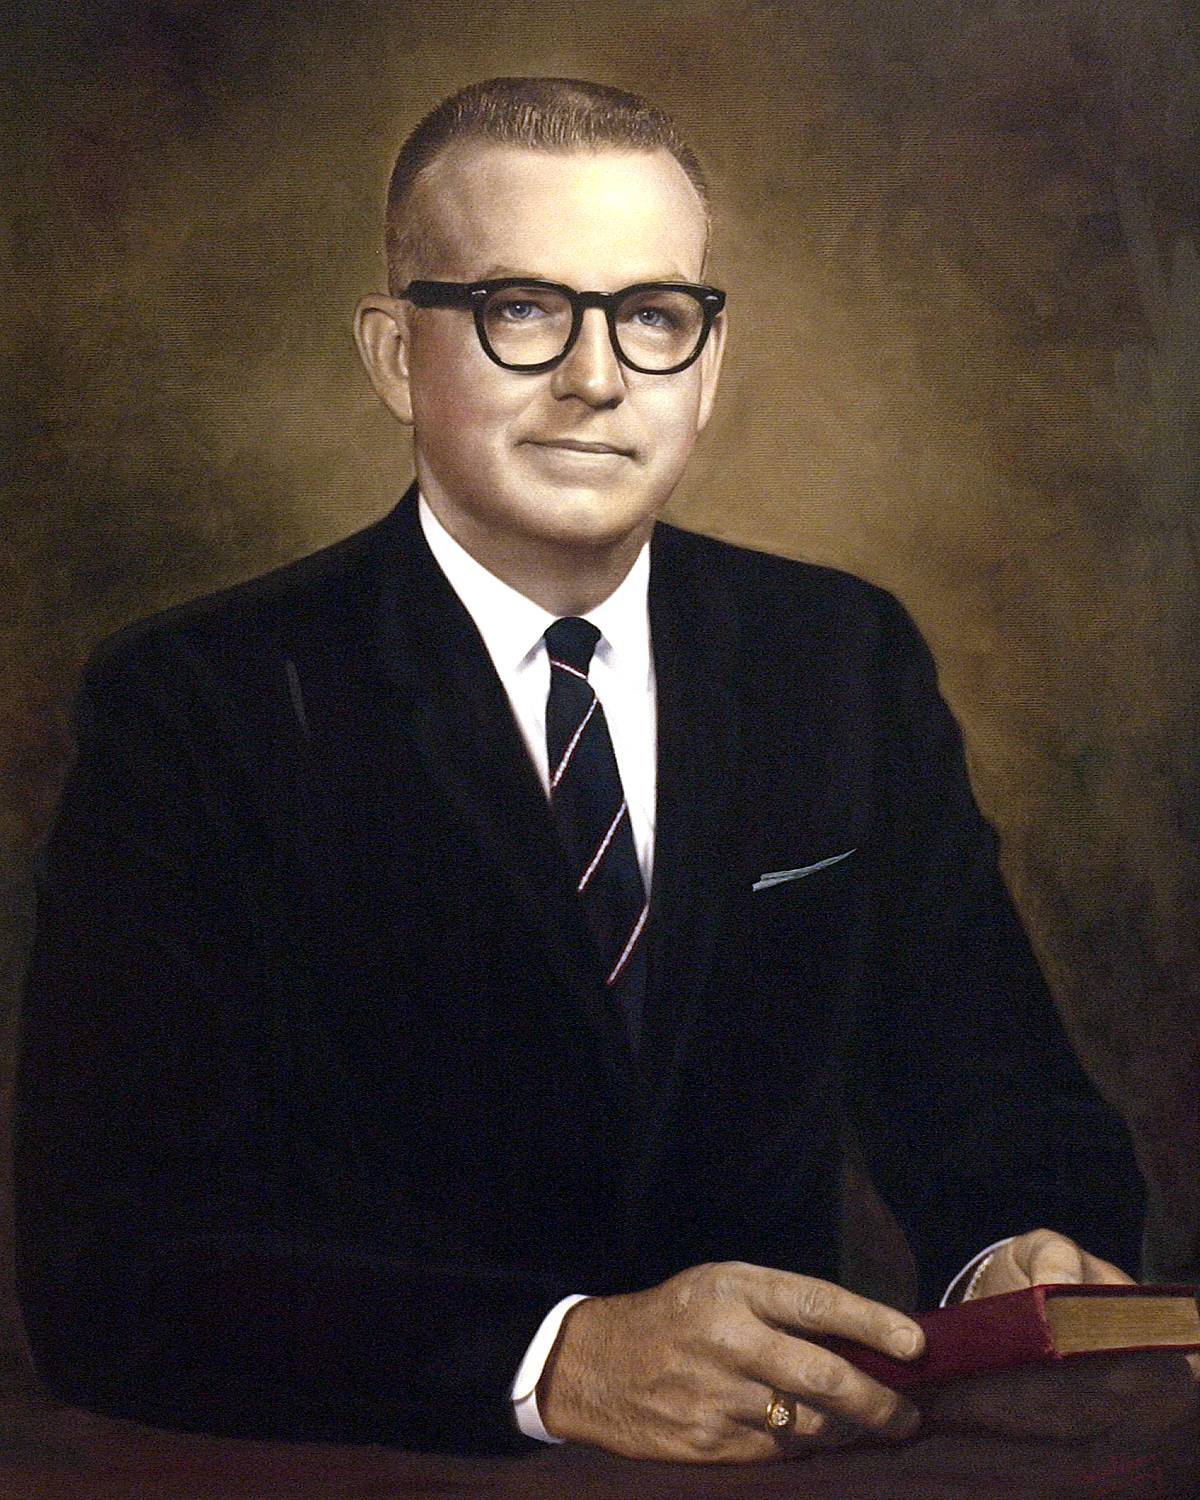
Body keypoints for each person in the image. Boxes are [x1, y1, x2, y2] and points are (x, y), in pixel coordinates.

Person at [13, 76, 1159, 1461]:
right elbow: (111, 1272)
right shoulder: (203, 702)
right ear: (392, 355)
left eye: (654, 317)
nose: (599, 377)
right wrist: (555, 1361)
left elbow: (999, 1100)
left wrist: (1014, 1263)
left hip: (786, 1480)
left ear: (709, 362)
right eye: (521, 309)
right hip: (363, 1477)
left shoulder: (839, 658)